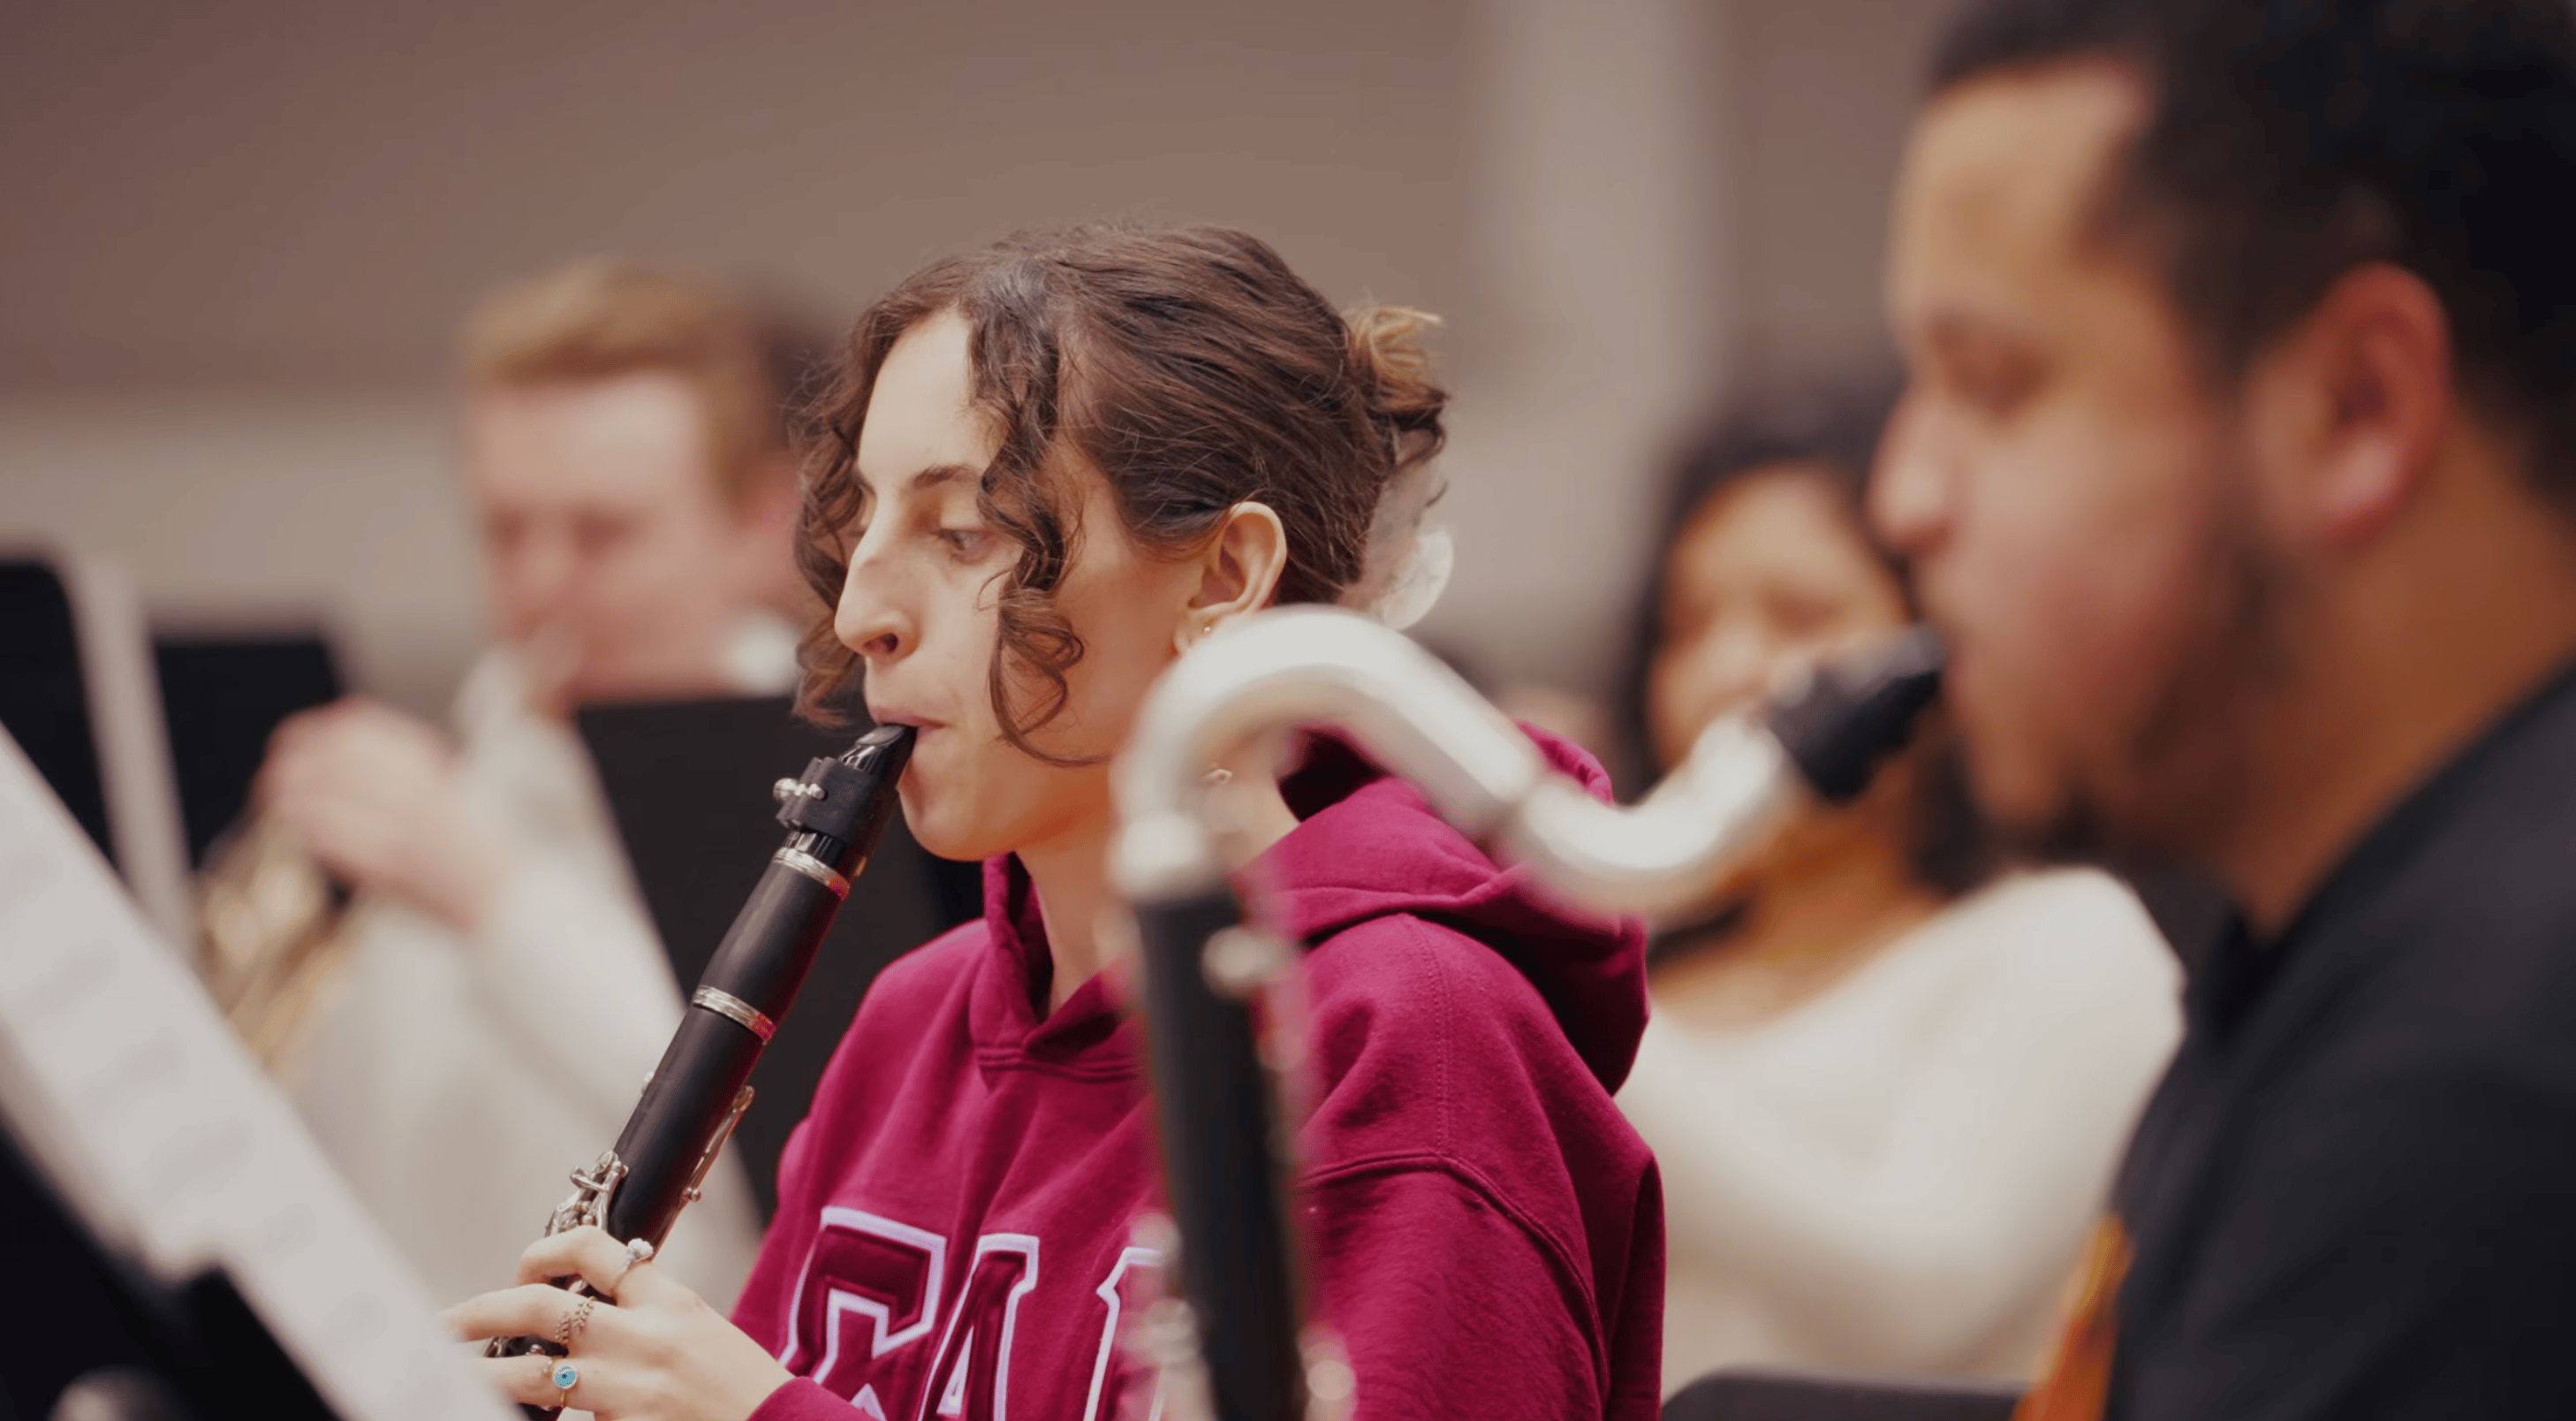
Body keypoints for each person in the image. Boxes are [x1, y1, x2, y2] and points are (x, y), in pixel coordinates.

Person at [445, 223, 1665, 1421]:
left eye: (962, 530)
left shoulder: (1405, 1041)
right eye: (863, 521)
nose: (866, 606)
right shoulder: (910, 1024)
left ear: (1222, 577)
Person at [1869, 0, 2576, 1415]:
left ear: (2356, 405)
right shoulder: (2330, 959)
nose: (1905, 497)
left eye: (1994, 387)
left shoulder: (2470, 1097)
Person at [259, 260, 814, 1307]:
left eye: (604, 534)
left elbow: (782, 1158)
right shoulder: (476, 756)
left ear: (757, 527)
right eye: (507, 530)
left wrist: (489, 893)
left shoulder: (842, 791)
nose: (539, 585)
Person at [1609, 383, 2178, 1392]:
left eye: (1801, 614)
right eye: (1687, 622)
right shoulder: (1643, 969)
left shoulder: (2066, 938)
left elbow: (1925, 1297)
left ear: (1934, 647)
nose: (1727, 669)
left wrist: (1557, 1000)